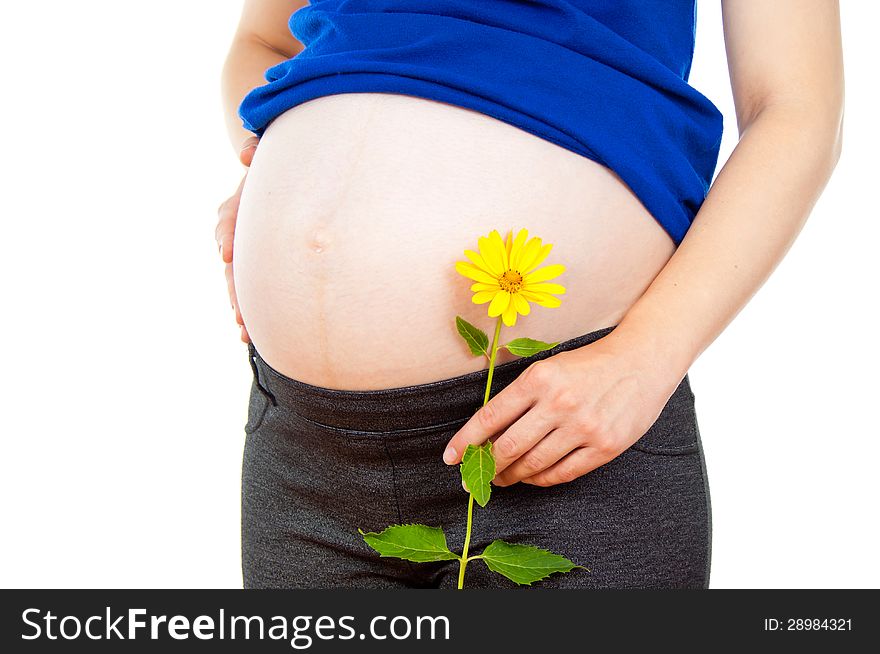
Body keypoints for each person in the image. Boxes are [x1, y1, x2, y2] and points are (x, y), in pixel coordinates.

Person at [215, 0, 843, 588]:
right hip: (303, 452)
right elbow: (263, 40)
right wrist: (270, 166)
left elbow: (796, 107)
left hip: (561, 437)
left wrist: (649, 357)